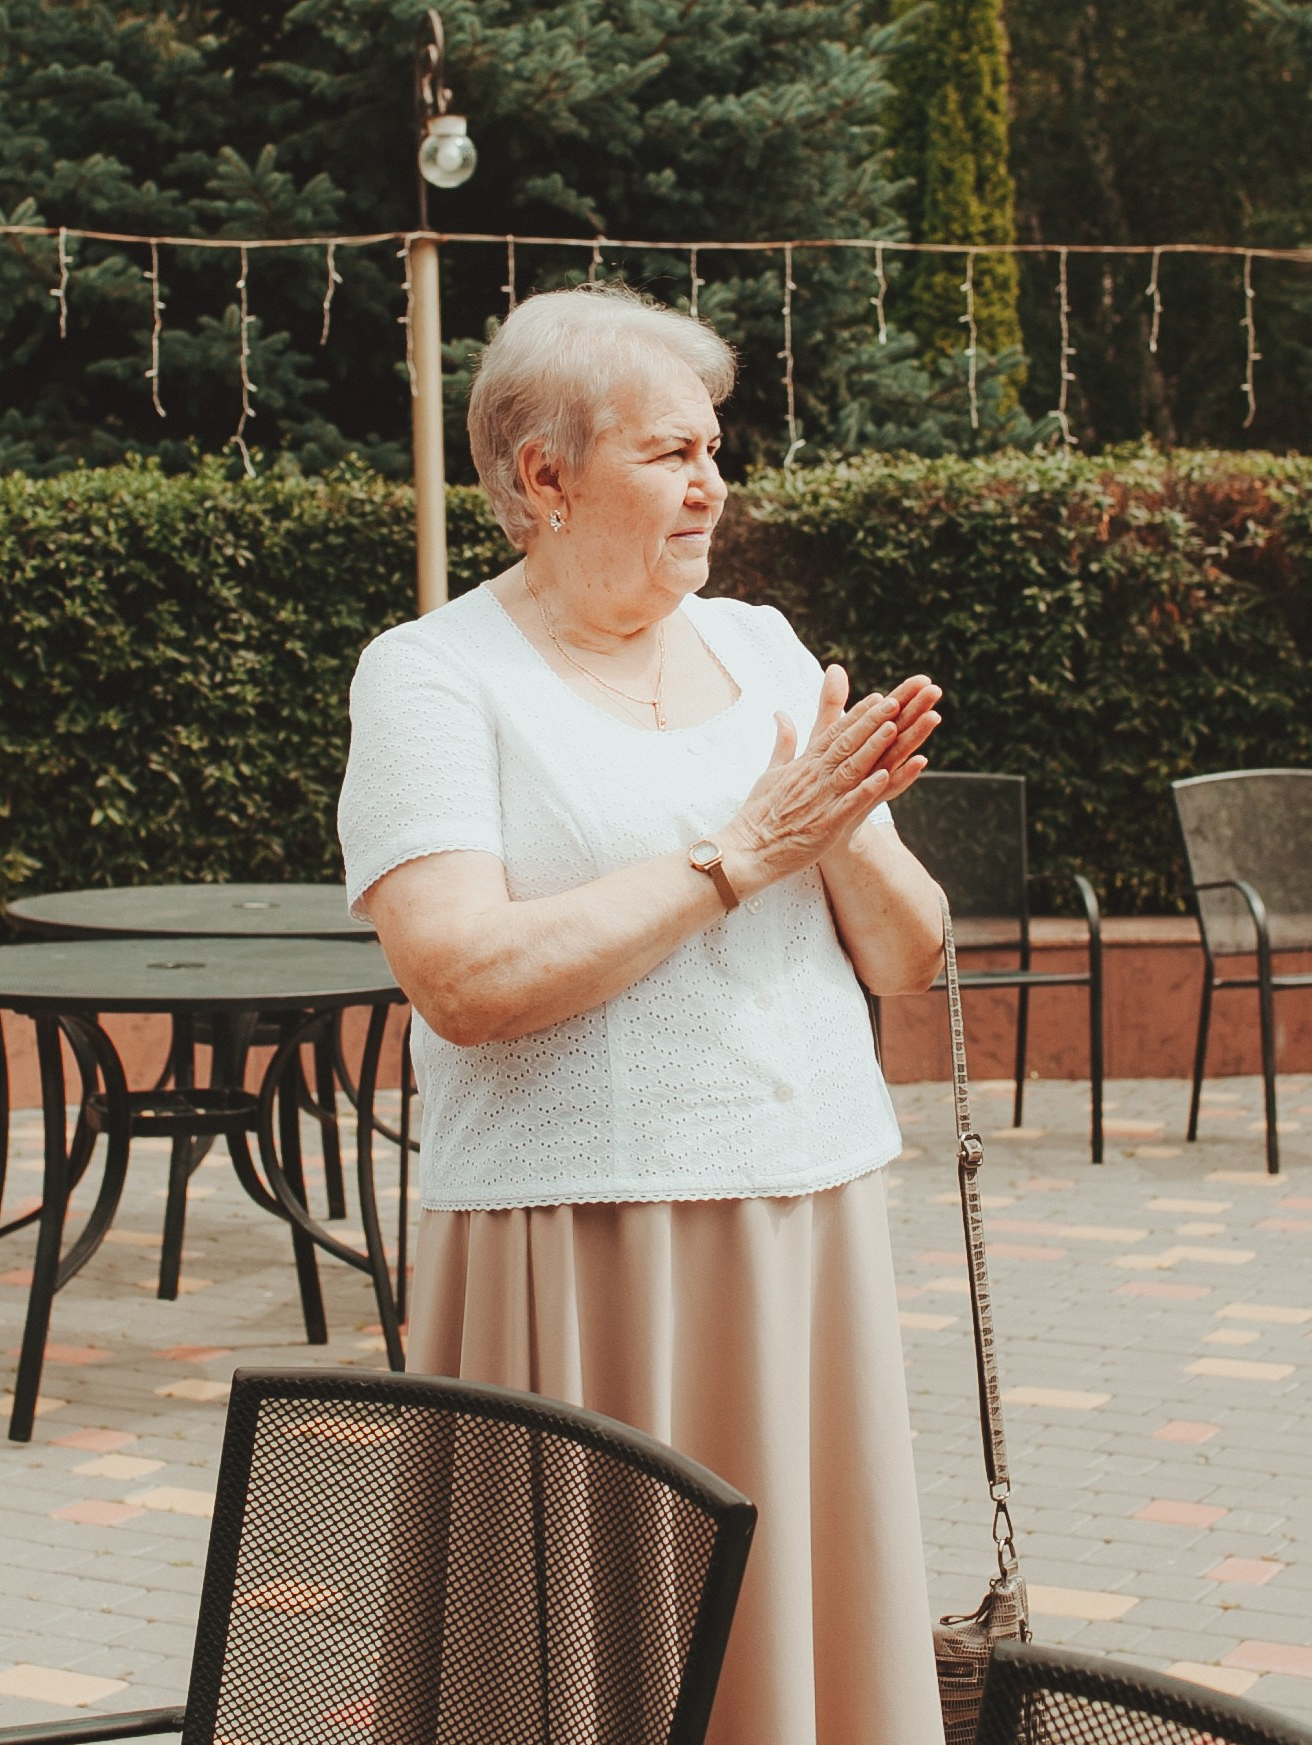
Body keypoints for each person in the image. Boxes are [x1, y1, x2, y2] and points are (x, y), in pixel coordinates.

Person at [338, 284, 948, 1745]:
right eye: (670, 451)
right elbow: (463, 979)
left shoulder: (766, 648)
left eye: (713, 447)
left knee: (796, 1653)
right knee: (574, 1672)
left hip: (803, 1223)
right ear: (542, 478)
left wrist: (836, 815)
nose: (710, 484)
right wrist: (734, 856)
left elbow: (909, 956)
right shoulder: (432, 676)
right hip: (575, 1232)